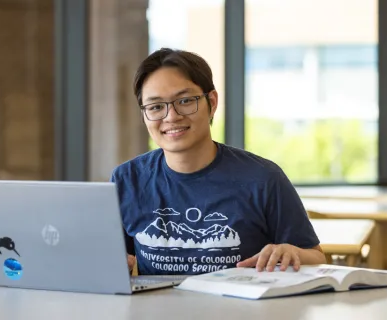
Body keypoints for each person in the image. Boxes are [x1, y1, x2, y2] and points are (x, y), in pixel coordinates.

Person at [110, 48, 326, 276]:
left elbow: (317, 257)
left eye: (184, 101)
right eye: (155, 107)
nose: (171, 116)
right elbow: (111, 260)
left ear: (211, 102)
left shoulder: (263, 178)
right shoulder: (127, 180)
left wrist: (291, 253)